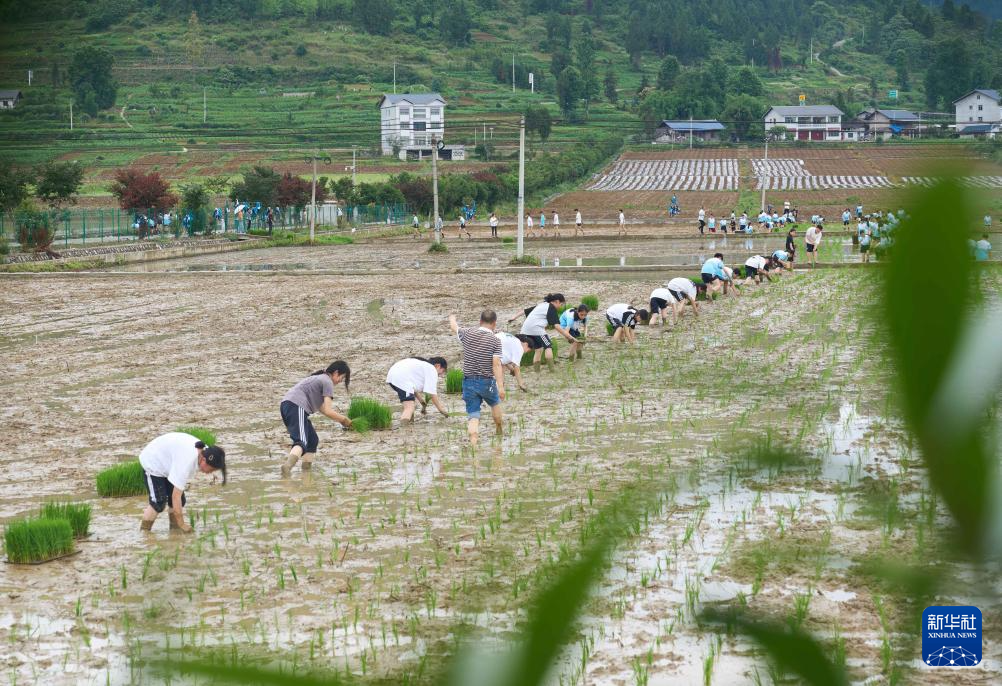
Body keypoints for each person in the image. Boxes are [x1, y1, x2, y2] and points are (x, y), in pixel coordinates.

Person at [139, 432, 226, 533]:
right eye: (211, 469)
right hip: (154, 461)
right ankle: (144, 533)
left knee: (180, 501)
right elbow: (176, 496)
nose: (210, 473)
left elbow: (177, 498)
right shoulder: (187, 461)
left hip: (169, 461)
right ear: (203, 460)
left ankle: (174, 530)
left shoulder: (207, 451)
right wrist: (182, 524)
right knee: (158, 502)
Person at [280, 361, 352, 476]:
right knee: (301, 441)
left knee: (312, 440)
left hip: (289, 406)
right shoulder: (327, 381)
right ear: (336, 373)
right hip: (295, 406)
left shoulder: (320, 379)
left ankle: (306, 472)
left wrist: (342, 421)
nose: (340, 382)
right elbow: (328, 410)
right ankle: (287, 467)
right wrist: (345, 420)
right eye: (342, 378)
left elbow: (323, 409)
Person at [449, 311, 506, 446]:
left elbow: (454, 327)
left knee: (473, 415)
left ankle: (473, 444)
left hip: (468, 381)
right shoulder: (496, 340)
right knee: (495, 403)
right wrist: (501, 386)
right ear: (494, 324)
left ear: (480, 321)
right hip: (487, 381)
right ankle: (499, 429)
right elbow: (496, 364)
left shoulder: (467, 333)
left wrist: (452, 317)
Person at [508, 293, 576, 371]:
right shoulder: (551, 308)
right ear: (557, 301)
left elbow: (524, 311)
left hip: (526, 329)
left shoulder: (542, 304)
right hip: (536, 329)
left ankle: (536, 371)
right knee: (548, 346)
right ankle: (552, 370)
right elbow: (556, 326)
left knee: (539, 349)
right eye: (561, 304)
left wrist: (513, 317)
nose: (561, 306)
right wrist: (568, 337)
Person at [386, 357, 449, 421]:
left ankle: (410, 425)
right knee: (409, 407)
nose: (441, 374)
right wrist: (441, 410)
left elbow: (412, 387)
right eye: (443, 371)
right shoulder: (432, 369)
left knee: (411, 403)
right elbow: (432, 394)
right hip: (401, 379)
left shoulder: (423, 366)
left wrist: (422, 402)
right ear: (438, 366)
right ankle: (404, 428)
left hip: (392, 377)